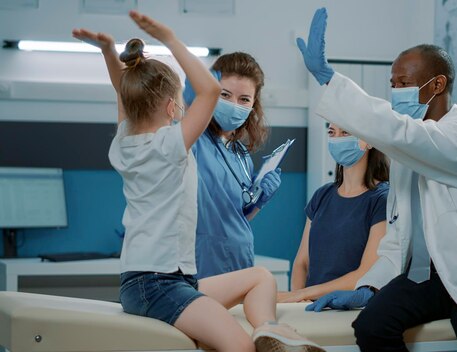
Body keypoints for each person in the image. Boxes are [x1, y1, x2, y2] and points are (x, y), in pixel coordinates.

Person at [295, 7, 457, 352]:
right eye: (392, 84)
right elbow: (400, 236)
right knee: (372, 326)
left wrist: (330, 80)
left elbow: (409, 137)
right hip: (424, 279)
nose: (395, 91)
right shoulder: (408, 155)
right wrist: (369, 287)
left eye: (404, 83)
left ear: (438, 84)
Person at [72, 11, 323, 352]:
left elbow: (125, 94)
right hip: (159, 284)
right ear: (174, 107)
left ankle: (270, 331)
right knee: (239, 346)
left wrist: (107, 53)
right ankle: (264, 334)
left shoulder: (124, 144)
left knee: (260, 277)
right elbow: (208, 89)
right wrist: (169, 39)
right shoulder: (171, 145)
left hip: (163, 281)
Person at [183, 53, 282, 278]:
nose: (234, 105)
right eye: (224, 95)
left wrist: (260, 200)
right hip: (201, 265)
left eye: (244, 99)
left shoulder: (241, 155)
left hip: (239, 262)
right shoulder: (195, 140)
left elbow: (237, 217)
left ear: (253, 104)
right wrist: (191, 105)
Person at [278, 123, 389, 303]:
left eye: (345, 132)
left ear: (369, 140)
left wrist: (303, 294)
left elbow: (366, 273)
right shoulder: (322, 195)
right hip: (309, 306)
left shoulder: (382, 199)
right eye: (332, 132)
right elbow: (302, 263)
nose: (337, 139)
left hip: (346, 308)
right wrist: (298, 301)